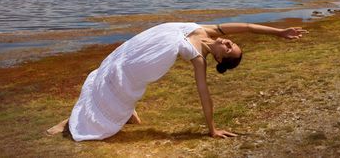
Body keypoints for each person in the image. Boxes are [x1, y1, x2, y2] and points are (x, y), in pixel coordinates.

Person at [46, 22, 308, 140]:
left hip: (141, 64)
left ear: (218, 60)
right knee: (109, 69)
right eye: (232, 44)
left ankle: (73, 122)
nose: (228, 43)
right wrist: (280, 32)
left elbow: (204, 94)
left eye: (228, 51)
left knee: (120, 82)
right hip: (138, 45)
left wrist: (212, 129)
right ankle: (126, 113)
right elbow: (249, 27)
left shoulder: (199, 58)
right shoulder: (211, 30)